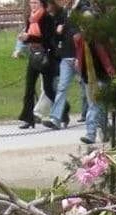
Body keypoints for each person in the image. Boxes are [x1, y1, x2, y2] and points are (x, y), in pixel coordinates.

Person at [75, 10, 115, 145]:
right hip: (88, 78)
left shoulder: (100, 38)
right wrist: (80, 74)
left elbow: (107, 56)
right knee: (97, 106)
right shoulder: (81, 39)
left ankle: (93, 133)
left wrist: (110, 69)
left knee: (96, 106)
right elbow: (80, 59)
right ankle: (103, 132)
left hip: (101, 76)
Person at [17, 2, 58, 129]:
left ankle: (63, 109)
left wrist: (29, 37)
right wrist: (23, 39)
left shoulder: (47, 18)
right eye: (31, 2)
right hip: (34, 56)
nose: (33, 5)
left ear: (41, 4)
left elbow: (47, 39)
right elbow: (28, 36)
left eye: (35, 2)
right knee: (29, 88)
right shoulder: (31, 18)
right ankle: (28, 118)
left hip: (46, 56)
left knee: (48, 89)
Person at [43, 0, 79, 131]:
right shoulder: (63, 13)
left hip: (79, 57)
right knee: (62, 87)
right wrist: (58, 33)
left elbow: (80, 34)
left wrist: (79, 56)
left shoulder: (81, 10)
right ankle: (56, 119)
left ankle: (100, 122)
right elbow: (57, 37)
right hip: (66, 56)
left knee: (88, 89)